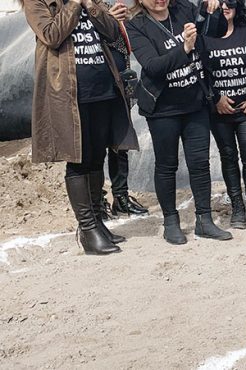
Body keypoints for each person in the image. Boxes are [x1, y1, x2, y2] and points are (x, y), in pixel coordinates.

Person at [20, 0, 139, 255]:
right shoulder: (37, 2)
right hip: (71, 94)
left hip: (103, 88)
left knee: (98, 156)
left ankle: (98, 221)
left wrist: (91, 6)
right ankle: (87, 229)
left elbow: (112, 32)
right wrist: (75, 4)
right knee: (79, 159)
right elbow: (51, 36)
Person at [127, 0, 233, 245]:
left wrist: (210, 11)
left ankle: (204, 221)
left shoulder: (184, 8)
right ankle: (171, 221)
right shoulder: (137, 25)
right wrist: (184, 48)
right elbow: (153, 67)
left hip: (195, 102)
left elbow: (212, 33)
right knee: (167, 165)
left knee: (200, 163)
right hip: (163, 108)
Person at [205, 0, 246, 230]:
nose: (224, 5)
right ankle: (237, 207)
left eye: (230, 1)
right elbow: (202, 72)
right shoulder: (206, 36)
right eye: (219, 2)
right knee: (228, 156)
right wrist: (216, 98)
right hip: (220, 110)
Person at [105, 0, 149, 218]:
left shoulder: (115, 6)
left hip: (121, 85)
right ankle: (96, 200)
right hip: (98, 86)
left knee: (120, 143)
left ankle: (120, 197)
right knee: (93, 147)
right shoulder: (84, 7)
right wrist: (108, 20)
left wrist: (124, 21)